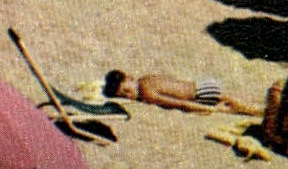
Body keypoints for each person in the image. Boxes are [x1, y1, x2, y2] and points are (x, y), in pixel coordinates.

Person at [103, 70, 264, 117]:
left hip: (201, 94)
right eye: (123, 96)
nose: (129, 96)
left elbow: (180, 104)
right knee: (244, 100)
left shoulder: (146, 93)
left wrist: (214, 110)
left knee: (246, 108)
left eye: (126, 90)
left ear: (130, 78)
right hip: (202, 83)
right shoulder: (147, 78)